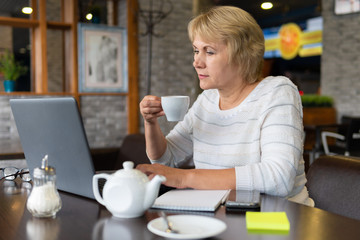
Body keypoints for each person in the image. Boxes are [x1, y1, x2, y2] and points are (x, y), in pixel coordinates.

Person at [137, 6, 314, 206]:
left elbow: (278, 177)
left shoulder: (277, 92)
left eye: (209, 52)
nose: (196, 62)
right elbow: (166, 161)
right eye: (196, 51)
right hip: (220, 215)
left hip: (281, 221)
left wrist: (185, 177)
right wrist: (150, 123)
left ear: (243, 55)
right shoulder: (207, 101)